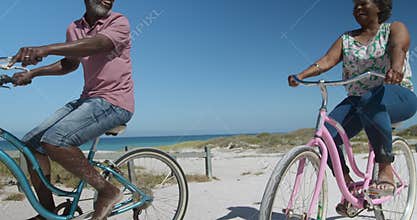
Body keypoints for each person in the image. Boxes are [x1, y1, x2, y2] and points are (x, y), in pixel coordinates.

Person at [288, 0, 417, 216]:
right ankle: (349, 186)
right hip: (359, 100)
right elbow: (327, 60)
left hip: (396, 93)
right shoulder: (346, 38)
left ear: (379, 6)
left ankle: (385, 168)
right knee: (325, 138)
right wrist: (301, 75)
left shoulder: (393, 28)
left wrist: (396, 68)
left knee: (369, 101)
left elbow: (399, 47)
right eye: (354, 5)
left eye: (363, 3)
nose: (357, 8)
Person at [9, 0, 134, 219]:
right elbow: (70, 63)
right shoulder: (74, 28)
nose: (108, 0)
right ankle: (47, 212)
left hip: (114, 102)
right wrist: (33, 73)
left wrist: (45, 49)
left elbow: (98, 44)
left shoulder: (119, 22)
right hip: (88, 99)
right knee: (31, 146)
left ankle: (108, 191)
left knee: (55, 140)